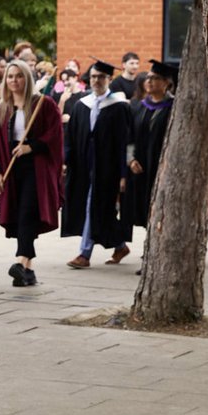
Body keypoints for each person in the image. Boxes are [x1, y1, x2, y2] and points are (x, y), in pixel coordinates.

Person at [0, 61, 64, 287]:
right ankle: (28, 271)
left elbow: (55, 134)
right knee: (20, 215)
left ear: (27, 79)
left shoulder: (43, 104)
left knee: (29, 211)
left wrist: (32, 146)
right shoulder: (1, 108)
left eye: (19, 76)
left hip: (36, 168)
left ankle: (20, 261)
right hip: (11, 166)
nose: (14, 81)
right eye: (10, 77)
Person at [62, 60, 133, 268]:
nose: (96, 80)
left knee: (94, 206)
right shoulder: (81, 105)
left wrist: (123, 172)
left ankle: (84, 254)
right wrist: (67, 160)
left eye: (101, 77)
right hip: (84, 166)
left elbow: (125, 141)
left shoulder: (118, 107)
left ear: (109, 79)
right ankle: (120, 245)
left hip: (107, 168)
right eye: (93, 76)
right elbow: (71, 136)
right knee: (99, 210)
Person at [123, 59, 177, 232]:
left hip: (163, 168)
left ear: (167, 83)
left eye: (155, 78)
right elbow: (128, 136)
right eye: (149, 77)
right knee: (144, 208)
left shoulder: (174, 108)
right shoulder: (138, 107)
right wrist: (130, 160)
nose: (149, 81)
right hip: (140, 168)